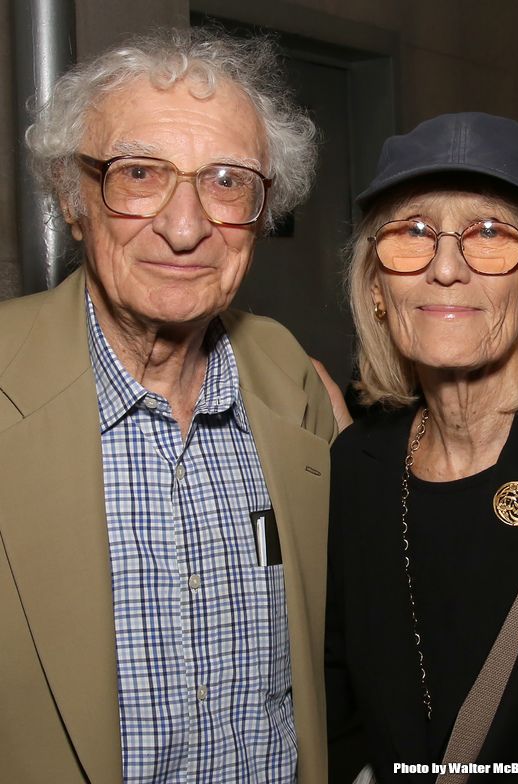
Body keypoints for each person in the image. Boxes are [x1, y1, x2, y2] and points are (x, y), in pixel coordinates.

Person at [0, 27, 336, 784]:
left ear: (262, 208)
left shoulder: (290, 379)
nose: (186, 229)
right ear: (71, 194)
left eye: (226, 181)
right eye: (140, 173)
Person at [325, 112, 518, 783]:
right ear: (377, 288)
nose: (446, 268)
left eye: (490, 233)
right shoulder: (356, 466)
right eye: (412, 233)